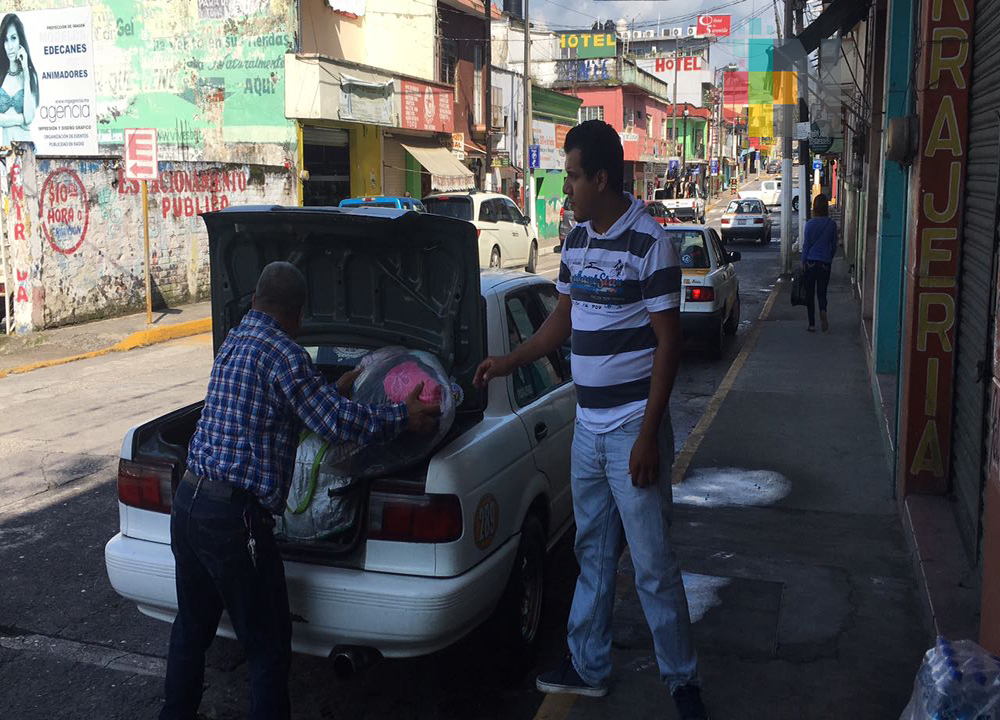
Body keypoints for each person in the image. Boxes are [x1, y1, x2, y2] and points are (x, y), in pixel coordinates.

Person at [474, 120, 708, 720]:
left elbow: (668, 344)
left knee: (652, 563)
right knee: (593, 550)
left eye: (573, 176)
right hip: (589, 426)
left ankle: (684, 685)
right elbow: (564, 319)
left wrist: (650, 434)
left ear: (601, 178)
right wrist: (511, 360)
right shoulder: (577, 241)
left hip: (633, 428)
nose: (566, 187)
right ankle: (589, 665)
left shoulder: (651, 244)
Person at [160, 262, 441, 720]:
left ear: (254, 300)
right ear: (298, 315)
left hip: (189, 505)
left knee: (191, 628)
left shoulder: (236, 340)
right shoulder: (287, 356)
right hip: (234, 523)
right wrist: (401, 418)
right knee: (269, 646)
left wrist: (336, 386)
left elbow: (289, 402)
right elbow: (336, 424)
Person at [800, 193, 838, 332]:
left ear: (814, 207)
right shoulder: (831, 224)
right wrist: (829, 257)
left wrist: (803, 261)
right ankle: (823, 310)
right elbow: (833, 245)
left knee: (810, 294)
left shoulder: (809, 224)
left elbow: (806, 246)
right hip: (825, 263)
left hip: (810, 262)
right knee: (822, 292)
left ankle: (811, 324)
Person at [0, 14, 38, 144]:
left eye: (13, 38)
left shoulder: (30, 75)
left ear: (20, 40)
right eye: (5, 40)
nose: (10, 46)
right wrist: (19, 119)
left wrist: (26, 72)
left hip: (25, 147)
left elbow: (28, 117)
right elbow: (24, 119)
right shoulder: (1, 76)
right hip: (4, 150)